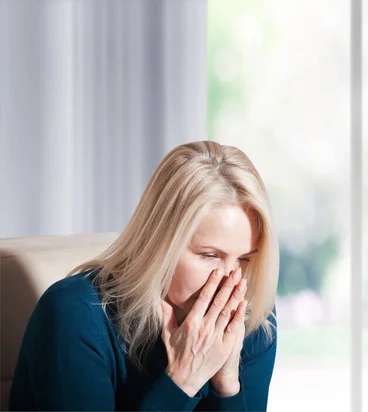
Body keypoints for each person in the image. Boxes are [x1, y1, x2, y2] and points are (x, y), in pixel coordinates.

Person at [9, 141, 279, 411]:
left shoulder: (252, 318)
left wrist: (228, 385)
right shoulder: (73, 315)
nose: (228, 280)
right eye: (209, 255)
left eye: (244, 259)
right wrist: (183, 380)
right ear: (159, 244)